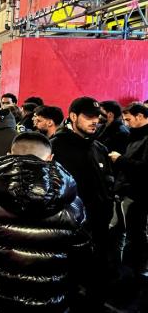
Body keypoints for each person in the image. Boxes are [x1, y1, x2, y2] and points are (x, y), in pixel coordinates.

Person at [0, 132, 90, 313]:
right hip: (51, 302)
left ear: (10, 155)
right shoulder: (72, 203)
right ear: (50, 158)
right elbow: (81, 260)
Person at [51, 97, 115, 309]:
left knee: (95, 288)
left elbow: (107, 183)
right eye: (89, 117)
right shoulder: (56, 147)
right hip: (67, 232)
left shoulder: (99, 148)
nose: (94, 121)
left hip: (98, 230)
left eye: (97, 117)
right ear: (73, 117)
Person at [110, 103, 148, 279]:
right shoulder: (135, 136)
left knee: (135, 236)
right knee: (125, 234)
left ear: (140, 116)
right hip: (127, 191)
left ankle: (136, 272)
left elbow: (144, 168)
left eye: (128, 119)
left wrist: (120, 160)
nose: (125, 123)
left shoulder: (144, 138)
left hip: (138, 195)